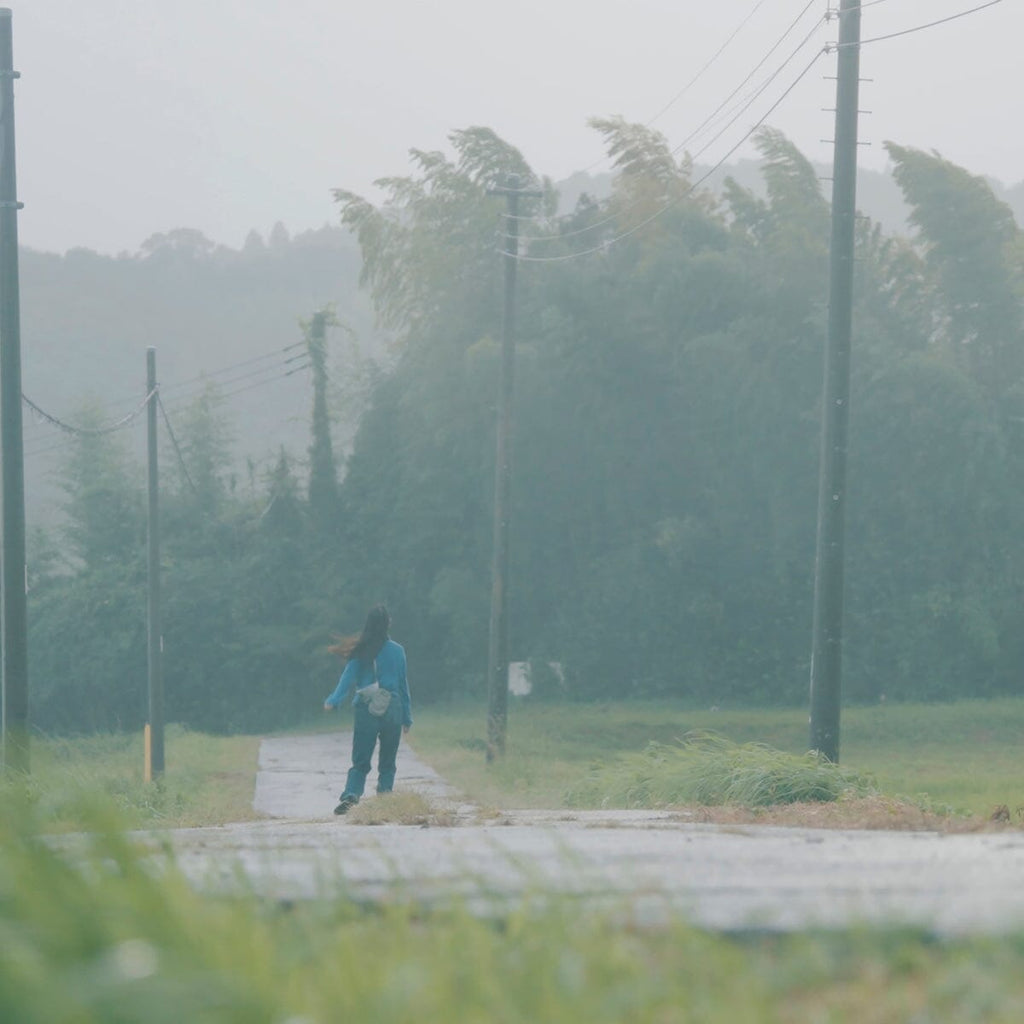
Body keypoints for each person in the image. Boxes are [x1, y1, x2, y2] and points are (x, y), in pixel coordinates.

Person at [323, 604, 412, 815]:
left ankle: (352, 794)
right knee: (388, 760)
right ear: (388, 623)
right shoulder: (398, 651)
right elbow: (403, 684)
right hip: (393, 708)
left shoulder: (361, 650)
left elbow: (347, 678)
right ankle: (385, 796)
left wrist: (334, 700)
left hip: (366, 709)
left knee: (361, 758)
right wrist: (407, 717)